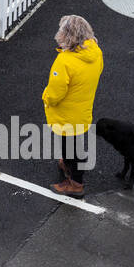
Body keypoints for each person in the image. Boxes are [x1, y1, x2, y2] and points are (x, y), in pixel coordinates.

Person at [42, 14, 103, 198]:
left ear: (67, 36)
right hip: (82, 110)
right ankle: (68, 165)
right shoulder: (96, 53)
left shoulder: (65, 61)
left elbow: (55, 93)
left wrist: (46, 97)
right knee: (73, 144)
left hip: (66, 114)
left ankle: (75, 184)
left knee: (72, 148)